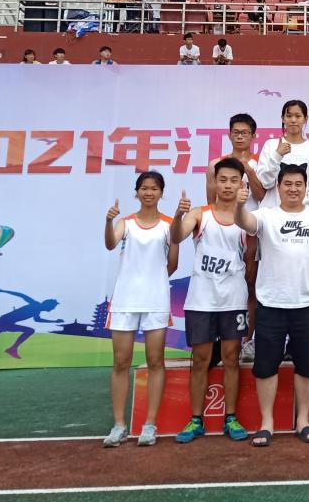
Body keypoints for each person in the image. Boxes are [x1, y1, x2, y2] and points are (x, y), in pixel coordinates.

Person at [235, 165, 309, 447]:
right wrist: (240, 205)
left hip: (307, 304)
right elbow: (245, 222)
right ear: (278, 187)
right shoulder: (266, 215)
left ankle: (303, 420)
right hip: (271, 303)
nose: (293, 189)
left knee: (307, 365)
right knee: (265, 365)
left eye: (298, 184)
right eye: (288, 184)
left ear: (306, 187)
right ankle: (266, 423)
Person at [172, 158, 255, 444]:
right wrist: (177, 216)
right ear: (214, 183)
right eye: (223, 180)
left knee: (231, 358)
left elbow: (251, 260)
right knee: (201, 360)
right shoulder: (199, 214)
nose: (228, 185)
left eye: (234, 180)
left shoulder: (247, 220)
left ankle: (230, 417)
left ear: (242, 184)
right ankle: (196, 420)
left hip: (233, 301)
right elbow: (177, 235)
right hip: (201, 301)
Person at [102, 171, 180, 448]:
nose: (149, 193)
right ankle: (119, 425)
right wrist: (108, 221)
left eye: (154, 188)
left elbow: (173, 264)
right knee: (121, 362)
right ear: (137, 192)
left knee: (156, 360)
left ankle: (150, 424)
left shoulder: (170, 225)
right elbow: (110, 244)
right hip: (125, 300)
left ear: (161, 193)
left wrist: (153, 280)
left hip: (155, 300)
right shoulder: (126, 223)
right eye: (144, 188)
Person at [220, 113, 264, 363]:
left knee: (250, 286)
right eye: (235, 132)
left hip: (250, 232)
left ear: (253, 136)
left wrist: (249, 171)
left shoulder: (260, 163)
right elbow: (212, 200)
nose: (240, 137)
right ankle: (225, 340)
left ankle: (247, 341)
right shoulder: (219, 164)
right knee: (225, 283)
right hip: (225, 232)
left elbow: (263, 195)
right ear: (229, 135)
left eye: (245, 133)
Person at [255, 100, 309, 208]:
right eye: (289, 116)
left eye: (298, 116)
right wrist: (277, 155)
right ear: (283, 118)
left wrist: (303, 210)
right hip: (273, 211)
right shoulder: (271, 145)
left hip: (303, 213)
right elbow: (265, 182)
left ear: (305, 119)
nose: (293, 120)